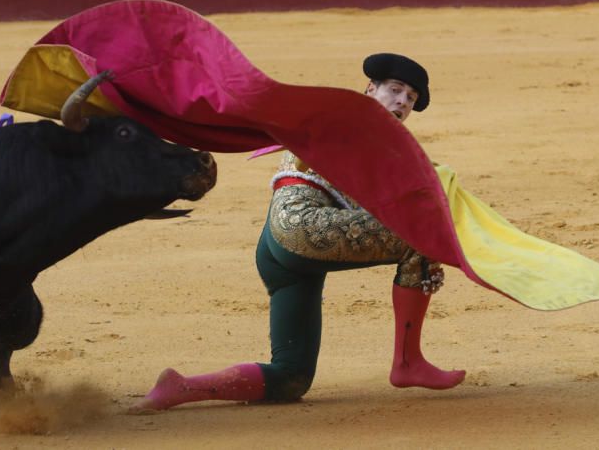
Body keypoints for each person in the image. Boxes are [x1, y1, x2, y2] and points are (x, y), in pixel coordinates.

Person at [132, 53, 465, 413]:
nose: (402, 101)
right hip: (303, 231)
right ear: (371, 88)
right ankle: (407, 361)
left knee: (291, 376)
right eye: (395, 90)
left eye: (410, 98)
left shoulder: (342, 119)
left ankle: (182, 387)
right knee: (426, 234)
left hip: (276, 249)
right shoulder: (360, 121)